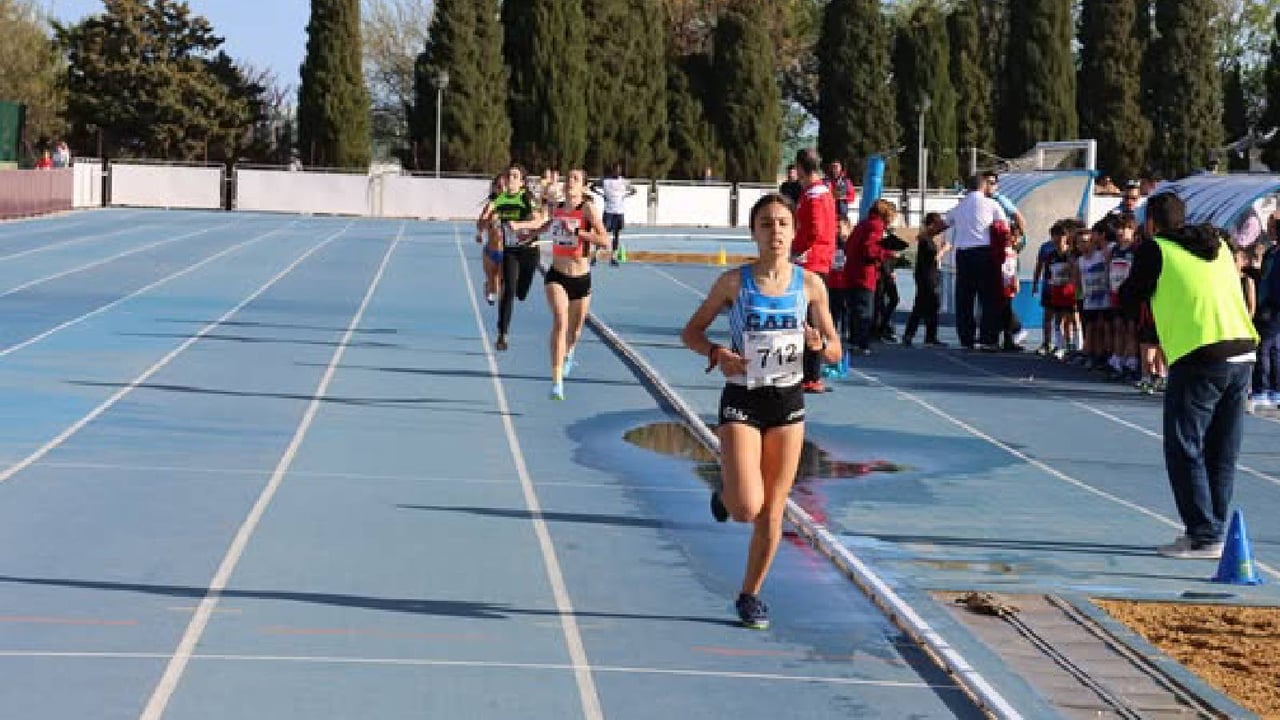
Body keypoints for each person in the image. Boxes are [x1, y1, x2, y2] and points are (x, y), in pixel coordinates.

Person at [680, 193, 842, 629]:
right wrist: (717, 352)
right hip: (742, 398)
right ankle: (728, 492)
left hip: (787, 403)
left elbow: (835, 351)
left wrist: (818, 346)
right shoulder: (734, 283)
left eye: (783, 223)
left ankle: (750, 594)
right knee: (746, 508)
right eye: (766, 224)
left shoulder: (810, 285)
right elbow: (690, 333)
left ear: (794, 231)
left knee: (774, 509)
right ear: (754, 233)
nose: (776, 232)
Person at [1119, 192, 1259, 559]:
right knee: (1222, 449)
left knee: (1184, 445)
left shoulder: (1156, 249)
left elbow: (1129, 297)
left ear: (1151, 223)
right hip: (1242, 349)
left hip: (1201, 352)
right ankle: (1211, 530)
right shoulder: (1219, 245)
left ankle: (1203, 533)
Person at [527, 169, 609, 400]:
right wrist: (529, 234)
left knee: (574, 331)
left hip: (581, 278)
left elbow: (604, 240)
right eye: (567, 178)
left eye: (575, 179)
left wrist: (580, 232)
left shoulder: (587, 209)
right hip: (557, 275)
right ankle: (556, 382)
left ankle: (570, 351)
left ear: (583, 186)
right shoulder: (558, 208)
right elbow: (545, 226)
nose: (569, 182)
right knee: (560, 321)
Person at [943, 173, 1008, 350]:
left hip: (963, 254)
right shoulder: (992, 204)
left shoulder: (960, 206)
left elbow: (944, 222)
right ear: (983, 185)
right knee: (988, 298)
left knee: (964, 298)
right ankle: (988, 338)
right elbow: (1003, 227)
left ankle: (966, 338)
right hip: (984, 253)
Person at [791, 148, 837, 392]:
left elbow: (815, 230)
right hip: (819, 261)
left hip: (811, 263)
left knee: (807, 321)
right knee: (812, 319)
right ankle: (809, 373)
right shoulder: (822, 192)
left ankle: (809, 374)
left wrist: (796, 249)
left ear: (800, 167)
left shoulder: (814, 195)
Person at [487, 164, 543, 351]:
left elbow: (539, 221)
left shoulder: (527, 198)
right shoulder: (500, 199)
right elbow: (490, 217)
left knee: (521, 293)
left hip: (529, 250)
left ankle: (520, 290)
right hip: (510, 250)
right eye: (508, 175)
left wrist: (518, 226)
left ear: (521, 182)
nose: (510, 179)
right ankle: (502, 334)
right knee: (508, 290)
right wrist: (493, 221)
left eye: (514, 176)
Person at [843, 199, 897, 355]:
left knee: (854, 310)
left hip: (851, 272)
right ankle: (862, 344)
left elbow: (849, 247)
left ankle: (854, 342)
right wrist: (887, 252)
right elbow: (869, 250)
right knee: (865, 311)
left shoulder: (862, 224)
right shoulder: (876, 226)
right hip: (864, 274)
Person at [902, 212, 949, 347]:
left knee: (923, 306)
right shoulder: (926, 240)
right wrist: (944, 250)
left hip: (925, 275)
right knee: (929, 305)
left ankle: (916, 335)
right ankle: (926, 336)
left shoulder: (926, 238)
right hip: (927, 276)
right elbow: (932, 258)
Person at [589, 163, 635, 266]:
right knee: (602, 234)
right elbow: (592, 186)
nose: (618, 172)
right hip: (608, 211)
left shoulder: (624, 181)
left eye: (619, 170)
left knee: (616, 235)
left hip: (619, 211)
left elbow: (634, 190)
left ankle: (613, 258)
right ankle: (595, 256)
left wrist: (625, 196)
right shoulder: (605, 181)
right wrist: (601, 195)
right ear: (612, 170)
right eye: (616, 170)